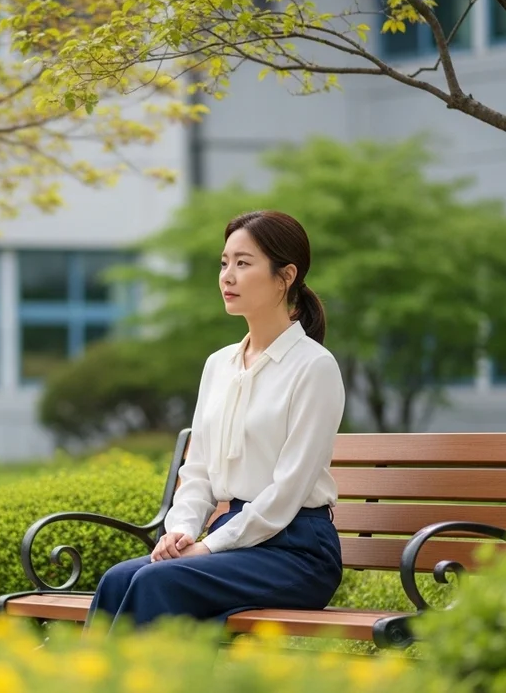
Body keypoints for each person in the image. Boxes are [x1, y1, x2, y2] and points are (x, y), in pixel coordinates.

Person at [85, 209, 346, 632]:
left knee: (157, 582)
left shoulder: (314, 367)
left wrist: (208, 549)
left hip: (297, 551)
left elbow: (288, 492)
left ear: (285, 276)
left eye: (244, 264)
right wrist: (182, 531)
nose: (228, 276)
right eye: (224, 263)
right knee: (119, 579)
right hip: (235, 537)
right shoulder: (219, 365)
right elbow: (199, 471)